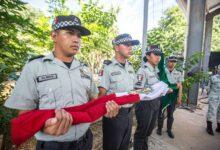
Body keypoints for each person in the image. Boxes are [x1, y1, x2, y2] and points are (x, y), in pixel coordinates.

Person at [4, 15, 120, 150]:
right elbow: (25, 116)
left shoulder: (85, 70)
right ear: (54, 35)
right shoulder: (35, 67)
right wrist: (47, 128)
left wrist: (105, 109)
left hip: (85, 140)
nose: (76, 39)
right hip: (53, 145)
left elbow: (93, 101)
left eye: (79, 35)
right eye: (70, 33)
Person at [98, 33, 139, 150]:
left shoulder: (130, 67)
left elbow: (135, 89)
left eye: (131, 45)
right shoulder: (107, 67)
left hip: (129, 113)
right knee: (112, 146)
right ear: (116, 47)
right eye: (127, 44)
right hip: (114, 115)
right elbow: (101, 94)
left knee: (124, 145)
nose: (130, 47)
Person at [133, 45, 171, 150]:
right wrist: (155, 89)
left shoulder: (156, 71)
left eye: (159, 55)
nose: (158, 57)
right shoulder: (143, 70)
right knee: (142, 132)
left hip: (155, 103)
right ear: (148, 56)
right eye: (155, 54)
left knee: (148, 131)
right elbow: (137, 91)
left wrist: (164, 89)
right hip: (145, 105)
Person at [157, 55, 183, 138]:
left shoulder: (178, 73)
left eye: (174, 62)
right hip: (163, 96)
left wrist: (179, 98)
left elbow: (180, 86)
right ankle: (159, 129)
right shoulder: (163, 71)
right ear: (167, 61)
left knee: (170, 114)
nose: (172, 63)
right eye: (171, 61)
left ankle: (169, 130)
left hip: (172, 97)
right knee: (161, 113)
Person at [206, 64, 220, 135]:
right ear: (218, 69)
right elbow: (208, 87)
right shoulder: (213, 77)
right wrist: (209, 95)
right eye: (219, 68)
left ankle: (219, 127)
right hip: (214, 97)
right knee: (212, 111)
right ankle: (209, 127)